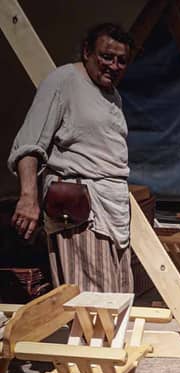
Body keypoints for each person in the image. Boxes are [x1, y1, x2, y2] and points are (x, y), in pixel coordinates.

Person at [9, 23, 135, 293]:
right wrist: (28, 198)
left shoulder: (113, 96)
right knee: (93, 299)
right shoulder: (64, 81)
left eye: (121, 61)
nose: (113, 66)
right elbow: (30, 143)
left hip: (113, 208)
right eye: (106, 57)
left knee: (118, 293)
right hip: (81, 207)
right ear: (87, 51)